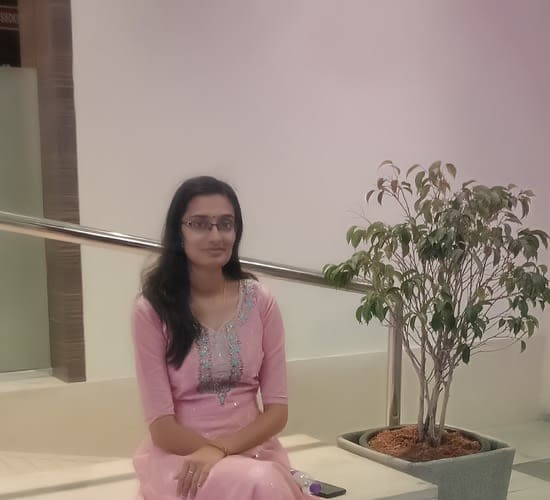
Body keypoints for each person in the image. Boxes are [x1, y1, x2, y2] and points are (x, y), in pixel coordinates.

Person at [131, 176, 309, 499]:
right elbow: (161, 428)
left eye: (226, 224)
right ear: (178, 231)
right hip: (184, 460)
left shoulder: (261, 302)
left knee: (262, 480)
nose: (215, 235)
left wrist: (224, 449)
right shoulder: (152, 310)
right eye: (200, 224)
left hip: (256, 453)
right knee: (262, 483)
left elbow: (277, 413)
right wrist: (213, 452)